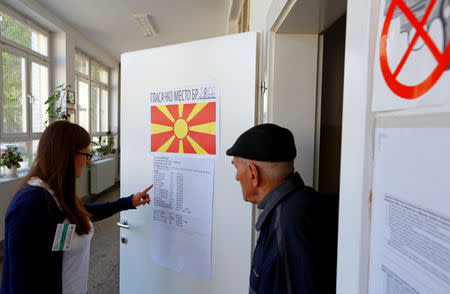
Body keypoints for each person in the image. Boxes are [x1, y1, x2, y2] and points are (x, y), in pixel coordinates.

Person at [0, 121, 152, 294]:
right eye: (85, 155)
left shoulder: (54, 192)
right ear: (65, 156)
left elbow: (80, 214)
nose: (88, 161)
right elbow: (21, 283)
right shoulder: (30, 204)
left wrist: (129, 202)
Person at [227, 123, 338, 294]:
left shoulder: (288, 221)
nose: (236, 177)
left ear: (253, 173)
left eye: (236, 168)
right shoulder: (297, 205)